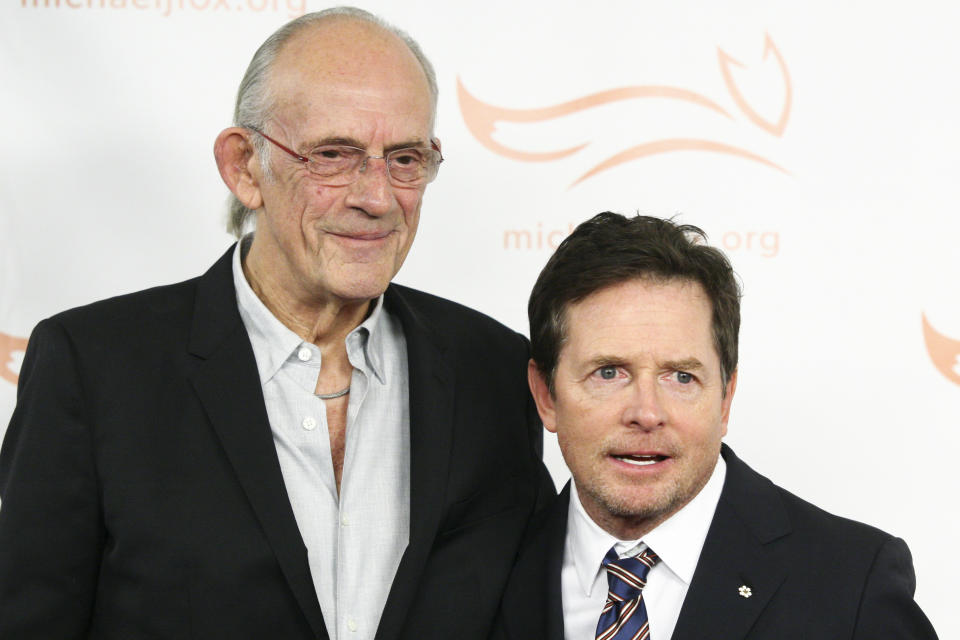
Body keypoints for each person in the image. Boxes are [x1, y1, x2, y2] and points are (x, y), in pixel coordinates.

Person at [0, 8, 553, 639]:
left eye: (404, 159)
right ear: (244, 167)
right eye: (334, 156)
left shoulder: (495, 370)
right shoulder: (95, 369)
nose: (376, 198)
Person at [492, 212, 938, 639]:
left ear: (725, 399)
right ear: (546, 395)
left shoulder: (853, 583)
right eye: (609, 372)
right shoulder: (485, 571)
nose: (647, 413)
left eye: (681, 377)